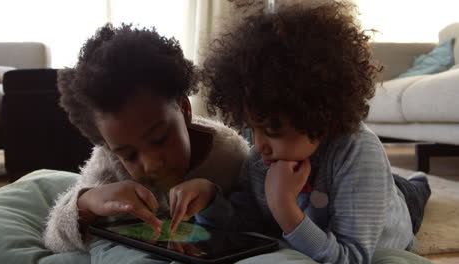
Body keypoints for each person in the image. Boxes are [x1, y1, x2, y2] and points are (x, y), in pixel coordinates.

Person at [172, 1, 432, 264]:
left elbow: (350, 257)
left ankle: (418, 184)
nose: (258, 145)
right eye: (251, 128)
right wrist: (211, 199)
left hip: (390, 211)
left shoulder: (359, 154)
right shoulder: (261, 152)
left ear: (323, 115)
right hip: (358, 189)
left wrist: (284, 206)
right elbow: (248, 218)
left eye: (273, 130)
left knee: (413, 192)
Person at [42, 23, 250, 253]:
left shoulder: (230, 156)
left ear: (184, 108)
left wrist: (212, 197)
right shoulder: (109, 163)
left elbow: (253, 220)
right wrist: (87, 203)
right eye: (129, 155)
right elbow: (55, 239)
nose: (151, 164)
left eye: (160, 139)